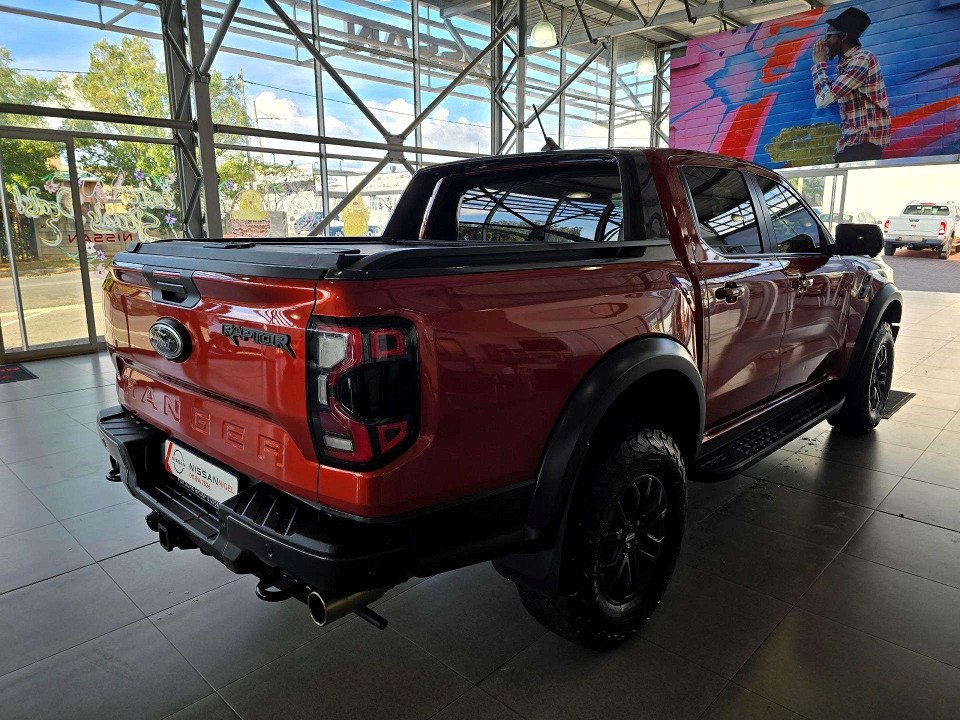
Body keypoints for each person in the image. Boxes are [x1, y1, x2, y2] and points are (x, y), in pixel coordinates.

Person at [812, 7, 891, 163]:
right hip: (854, 146)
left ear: (843, 36)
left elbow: (823, 99)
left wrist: (819, 64)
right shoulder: (846, 65)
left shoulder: (862, 59)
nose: (825, 42)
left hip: (863, 147)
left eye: (829, 35)